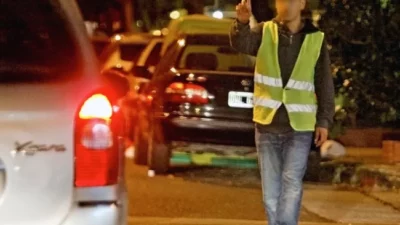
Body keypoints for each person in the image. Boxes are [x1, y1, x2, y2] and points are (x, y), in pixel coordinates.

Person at [230, 0, 335, 224]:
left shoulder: (316, 39)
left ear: (302, 3)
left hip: (300, 127)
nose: (285, 5)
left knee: (292, 182)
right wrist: (241, 22)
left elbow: (324, 83)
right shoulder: (264, 31)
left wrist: (324, 121)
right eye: (281, 0)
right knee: (270, 194)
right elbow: (242, 43)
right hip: (267, 126)